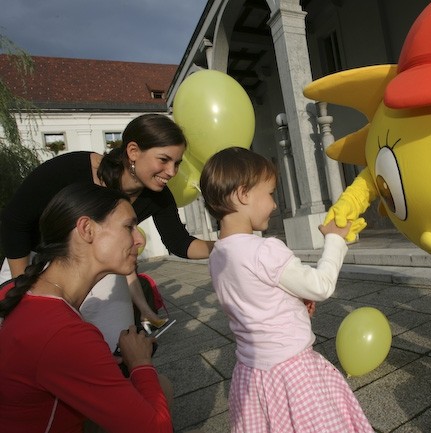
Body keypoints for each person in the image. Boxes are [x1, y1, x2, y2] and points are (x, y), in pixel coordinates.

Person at [0, 113, 214, 351]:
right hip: (32, 266)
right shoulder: (71, 169)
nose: (172, 172)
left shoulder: (159, 197)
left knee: (114, 346)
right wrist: (23, 290)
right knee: (33, 349)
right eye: (164, 160)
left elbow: (180, 243)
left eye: (177, 163)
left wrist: (227, 242)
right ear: (133, 151)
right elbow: (14, 221)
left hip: (102, 273)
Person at [199, 147, 374, 433]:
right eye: (269, 194)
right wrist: (335, 241)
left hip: (251, 375)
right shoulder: (265, 249)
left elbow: (255, 297)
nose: (274, 204)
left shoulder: (218, 255)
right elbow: (321, 286)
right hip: (293, 373)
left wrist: (293, 297)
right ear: (243, 194)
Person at [0, 182, 172, 433]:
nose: (138, 239)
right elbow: (156, 429)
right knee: (161, 387)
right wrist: (140, 362)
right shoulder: (63, 333)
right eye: (129, 227)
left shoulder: (19, 292)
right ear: (86, 229)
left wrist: (99, 363)